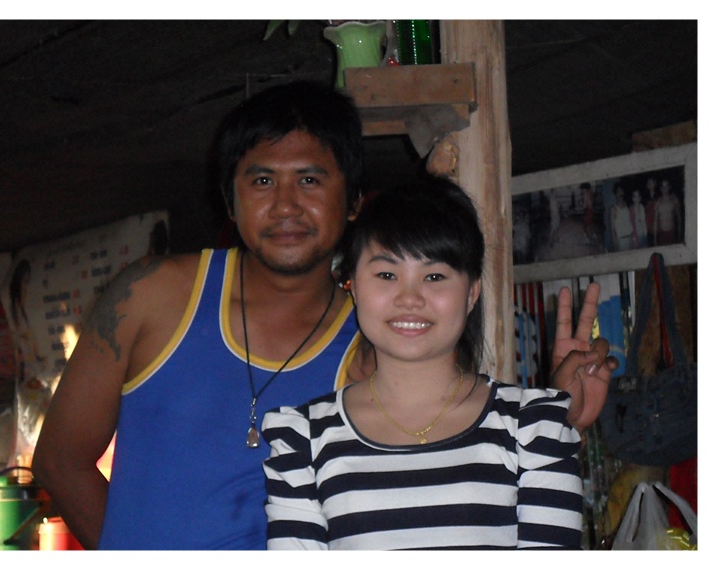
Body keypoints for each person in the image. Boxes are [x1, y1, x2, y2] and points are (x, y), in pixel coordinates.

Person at [32, 80, 616, 550]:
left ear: (354, 199)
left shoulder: (374, 344)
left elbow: (447, 468)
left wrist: (559, 418)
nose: (285, 205)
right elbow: (59, 461)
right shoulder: (150, 296)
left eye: (310, 180)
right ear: (230, 198)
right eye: (262, 180)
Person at [263, 176, 593, 549]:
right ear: (353, 284)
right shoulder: (303, 441)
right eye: (387, 275)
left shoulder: (535, 429)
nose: (410, 298)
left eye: (434, 276)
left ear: (472, 292)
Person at [654, 178, 682, 245]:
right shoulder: (658, 202)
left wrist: (679, 236)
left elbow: (679, 220)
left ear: (669, 187)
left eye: (666, 186)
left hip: (672, 233)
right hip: (661, 234)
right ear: (661, 189)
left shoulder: (675, 201)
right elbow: (655, 222)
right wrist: (655, 239)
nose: (665, 189)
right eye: (663, 187)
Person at [609, 182, 633, 251]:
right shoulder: (613, 209)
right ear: (615, 194)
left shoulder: (626, 206)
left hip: (630, 238)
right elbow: (612, 229)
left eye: (621, 191)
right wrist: (615, 244)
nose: (620, 193)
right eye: (618, 192)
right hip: (621, 241)